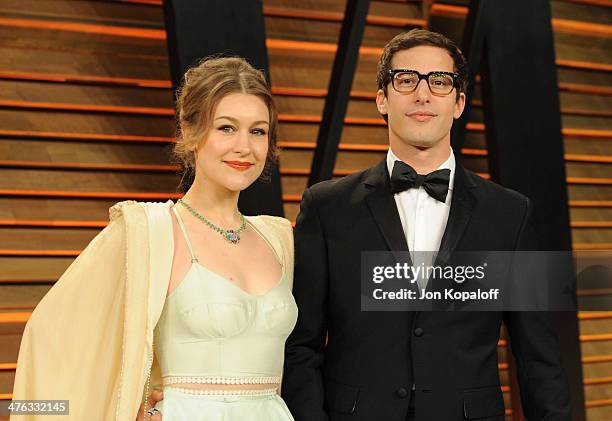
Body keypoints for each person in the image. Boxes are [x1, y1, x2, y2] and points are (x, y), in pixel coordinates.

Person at [281, 29, 572, 420]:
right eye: (406, 80)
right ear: (382, 99)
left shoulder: (511, 213)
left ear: (459, 102)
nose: (423, 94)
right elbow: (301, 347)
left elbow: (539, 356)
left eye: (440, 81)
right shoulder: (327, 206)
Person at [12, 56, 297, 421]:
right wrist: (128, 405)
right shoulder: (146, 230)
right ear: (190, 131)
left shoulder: (278, 238)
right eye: (226, 128)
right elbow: (48, 337)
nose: (245, 146)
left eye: (258, 131)